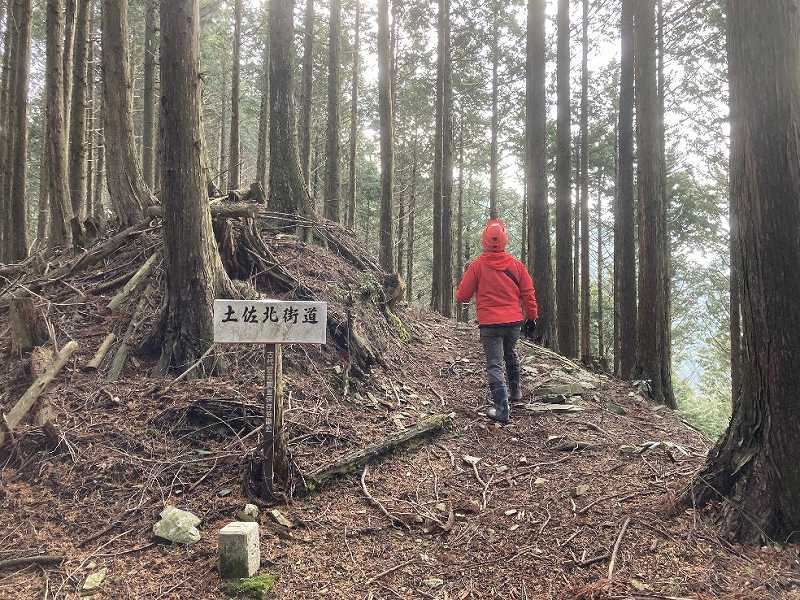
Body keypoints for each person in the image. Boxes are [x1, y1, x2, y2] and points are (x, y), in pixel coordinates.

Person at [455, 219, 539, 423]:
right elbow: (528, 293)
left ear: (484, 241)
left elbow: (462, 297)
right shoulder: (517, 265)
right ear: (505, 241)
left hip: (490, 324)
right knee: (511, 353)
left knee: (494, 364)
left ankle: (502, 410)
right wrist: (532, 317)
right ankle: (515, 392)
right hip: (513, 323)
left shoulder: (476, 266)